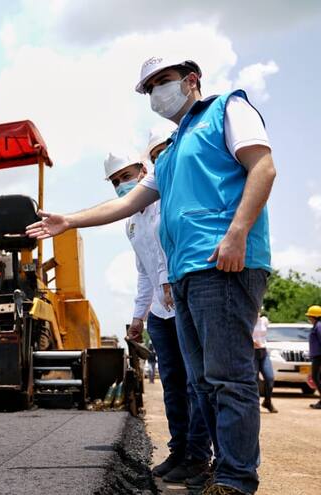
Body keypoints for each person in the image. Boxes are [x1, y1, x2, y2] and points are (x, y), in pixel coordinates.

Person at [27, 56, 277, 494]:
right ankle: (219, 470)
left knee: (227, 377)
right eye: (149, 88)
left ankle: (237, 479)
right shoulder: (173, 150)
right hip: (186, 275)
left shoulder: (226, 110)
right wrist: (68, 220)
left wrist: (237, 234)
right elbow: (125, 204)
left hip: (223, 262)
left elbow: (263, 167)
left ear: (191, 80)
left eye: (163, 81)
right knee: (202, 383)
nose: (157, 93)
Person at [105, 146, 211, 485]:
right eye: (116, 181)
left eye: (126, 176)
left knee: (197, 385)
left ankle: (198, 455)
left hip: (182, 304)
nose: (122, 184)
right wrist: (139, 316)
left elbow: (173, 249)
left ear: (144, 170)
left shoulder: (168, 202)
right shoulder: (132, 223)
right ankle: (179, 450)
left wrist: (168, 283)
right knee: (173, 386)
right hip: (159, 315)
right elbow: (142, 271)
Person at [252, 312, 277, 413]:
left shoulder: (264, 320)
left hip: (263, 351)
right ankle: (254, 404)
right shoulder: (249, 320)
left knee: (270, 377)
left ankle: (267, 401)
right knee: (254, 379)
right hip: (252, 352)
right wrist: (252, 341)